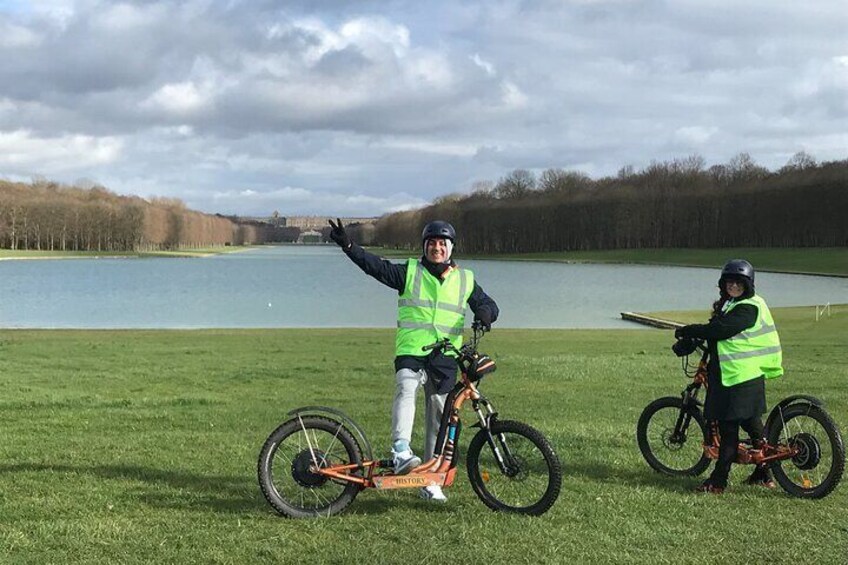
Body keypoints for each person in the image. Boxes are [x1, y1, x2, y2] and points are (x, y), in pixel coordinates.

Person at [327, 218, 499, 502]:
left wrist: (485, 315)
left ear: (451, 248)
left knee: (440, 416)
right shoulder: (409, 272)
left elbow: (488, 305)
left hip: (445, 356)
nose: (437, 248)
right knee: (406, 389)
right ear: (425, 246)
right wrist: (348, 245)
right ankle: (401, 451)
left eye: (442, 244)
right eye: (432, 243)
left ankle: (430, 480)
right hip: (412, 351)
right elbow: (375, 267)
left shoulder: (465, 279)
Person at [675, 259, 783, 494]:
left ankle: (718, 481)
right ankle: (764, 474)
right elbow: (720, 331)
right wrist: (692, 340)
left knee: (728, 429)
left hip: (735, 377)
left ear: (748, 284)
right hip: (746, 374)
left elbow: (721, 330)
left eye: (738, 282)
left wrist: (688, 330)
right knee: (753, 424)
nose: (733, 286)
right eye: (729, 282)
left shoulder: (748, 307)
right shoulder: (734, 303)